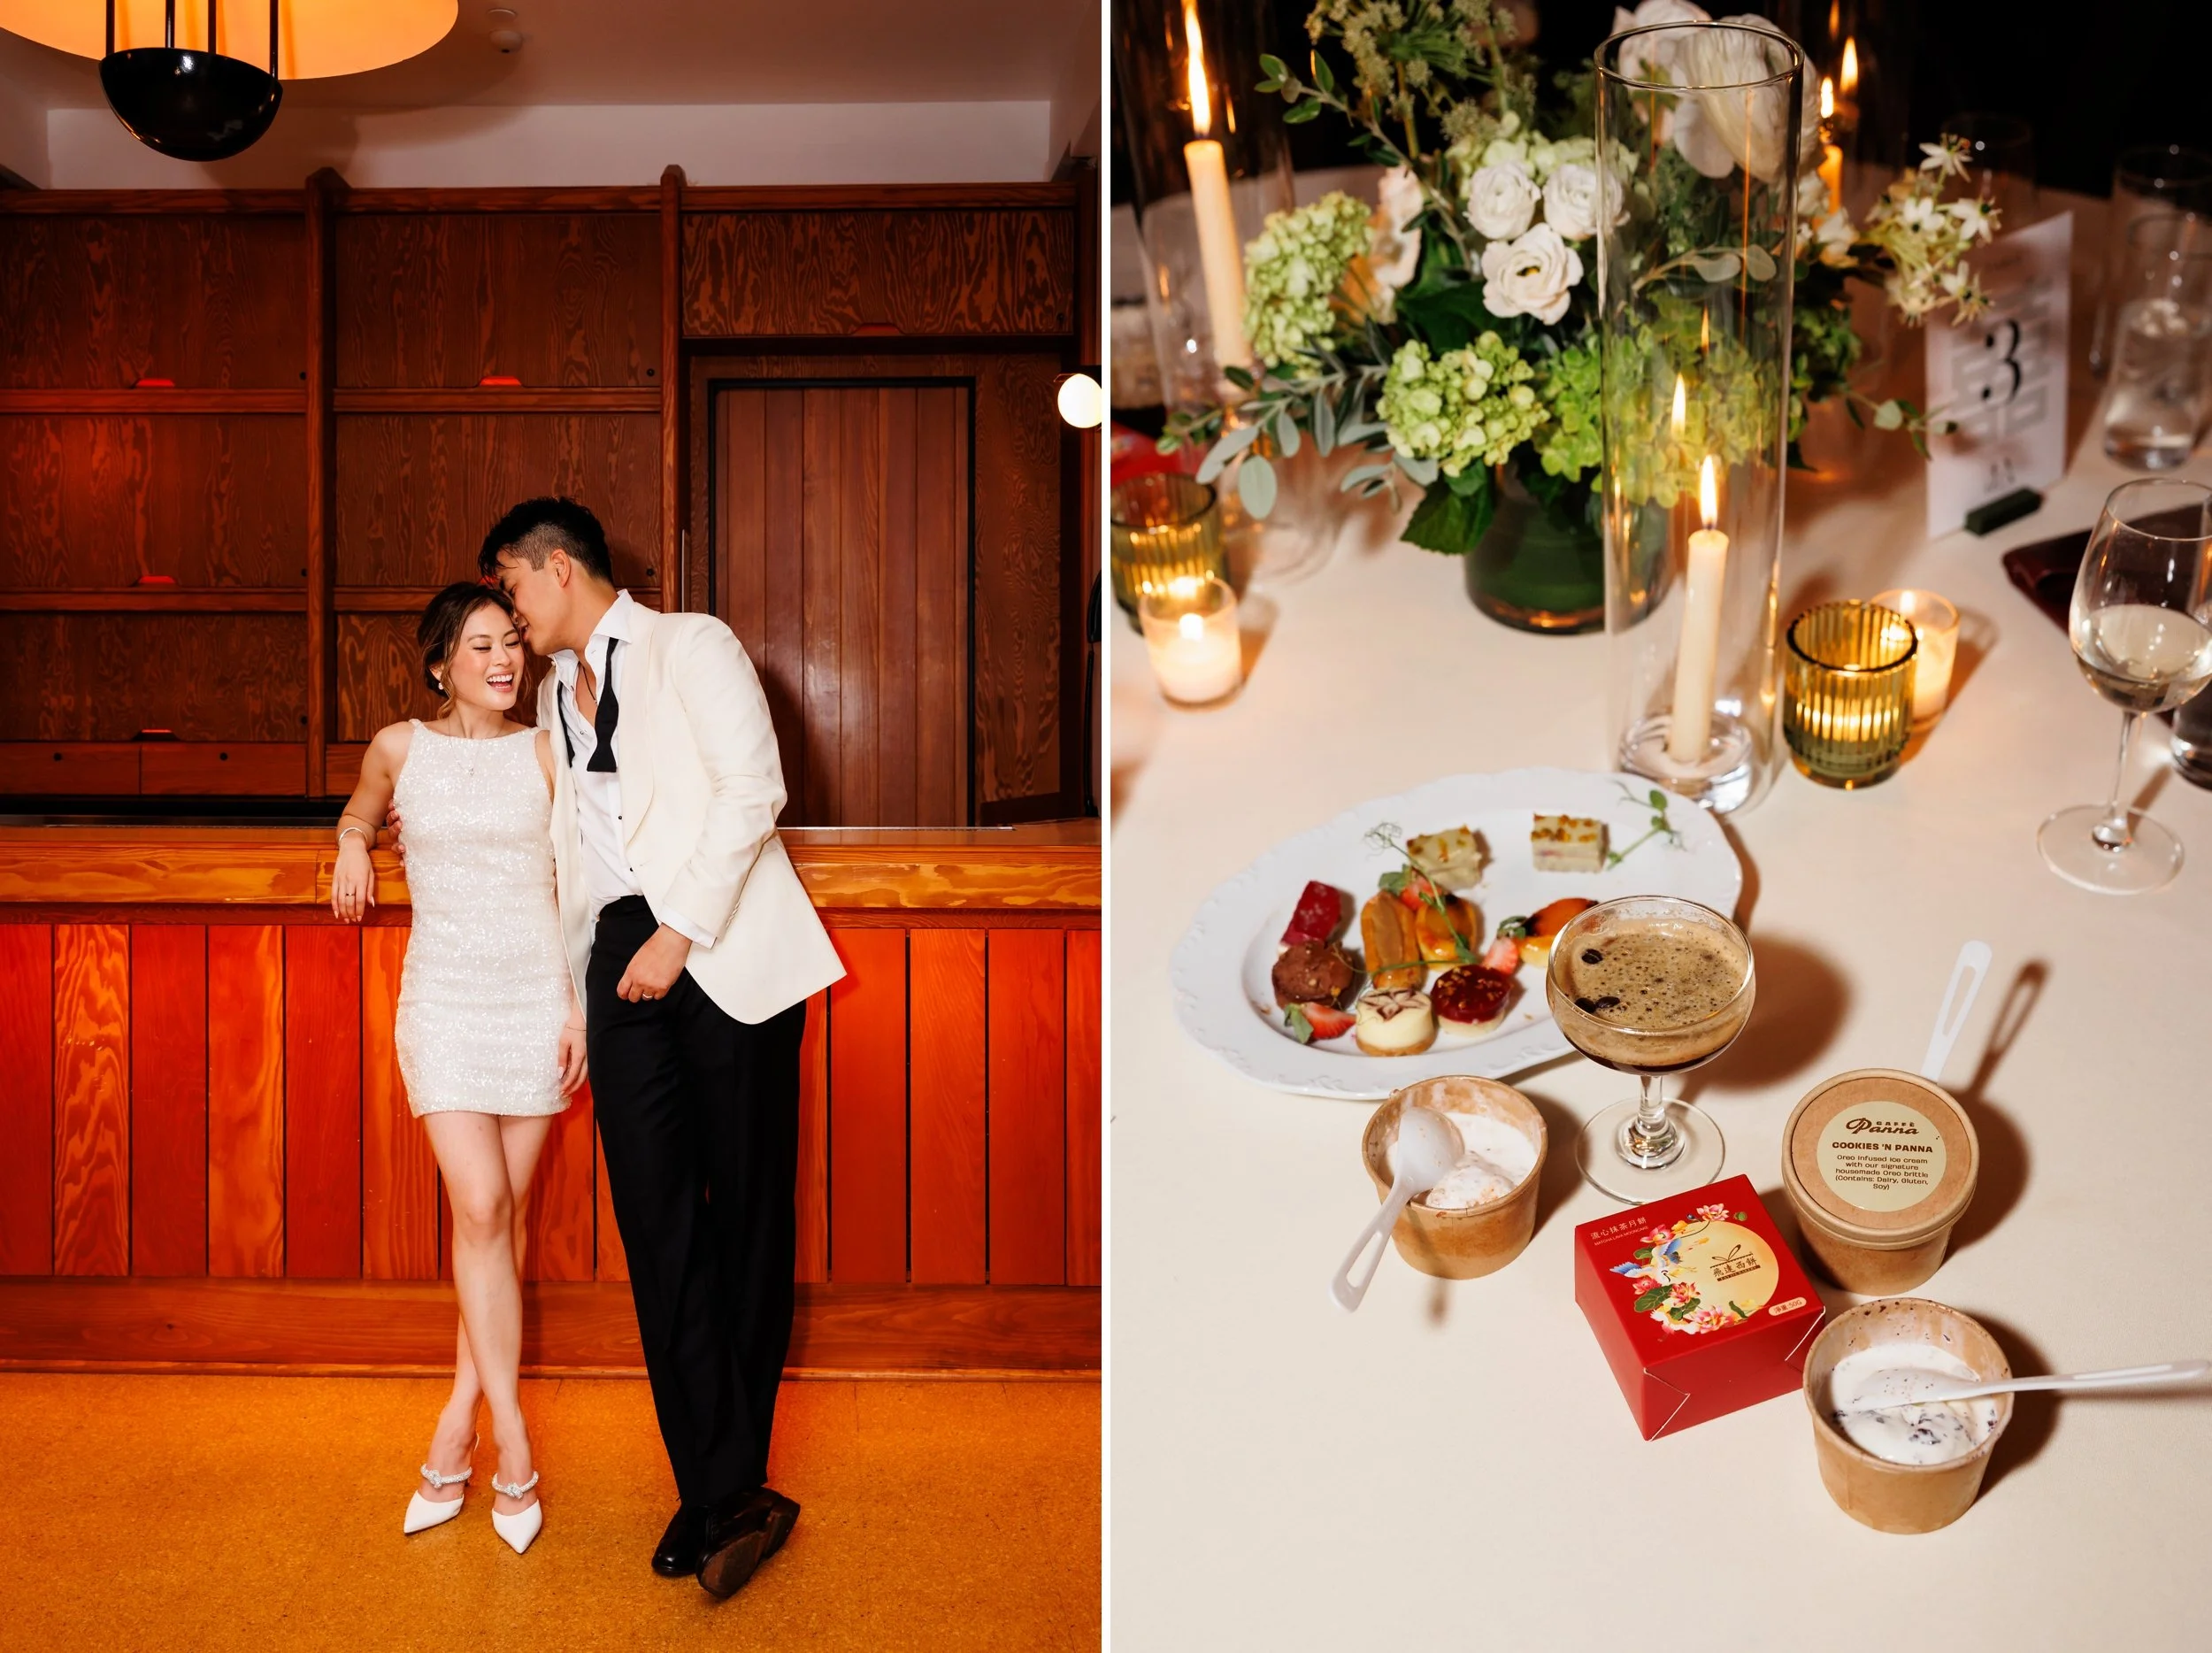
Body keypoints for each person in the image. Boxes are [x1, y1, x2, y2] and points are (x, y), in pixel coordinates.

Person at [480, 496, 845, 1599]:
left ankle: (723, 1488)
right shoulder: (551, 690)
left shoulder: (693, 643)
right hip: (619, 956)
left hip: (718, 943)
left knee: (744, 1216)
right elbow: (567, 849)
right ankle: (719, 1486)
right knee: (657, 1227)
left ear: (554, 568)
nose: (509, 608)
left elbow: (754, 790)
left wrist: (679, 934)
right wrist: (582, 1001)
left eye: (511, 585)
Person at [330, 581, 587, 1557]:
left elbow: (578, 882)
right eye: (479, 644)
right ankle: (512, 1439)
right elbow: (360, 810)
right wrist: (353, 843)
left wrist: (577, 1007)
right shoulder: (400, 746)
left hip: (535, 999)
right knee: (480, 1207)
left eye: (511, 641)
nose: (503, 658)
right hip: (441, 998)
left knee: (495, 1224)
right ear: (440, 662)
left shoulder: (545, 748)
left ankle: (454, 1427)